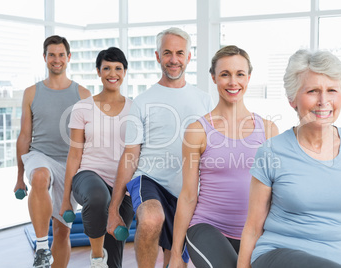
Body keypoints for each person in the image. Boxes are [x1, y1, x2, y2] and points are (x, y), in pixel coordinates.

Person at [237, 49, 341, 268]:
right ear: (292, 99)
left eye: (332, 90)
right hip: (281, 257)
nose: (324, 101)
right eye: (313, 91)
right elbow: (253, 227)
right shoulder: (271, 152)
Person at [106, 27, 213, 268]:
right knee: (152, 218)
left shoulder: (205, 100)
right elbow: (130, 154)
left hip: (186, 190)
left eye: (179, 53)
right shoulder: (143, 101)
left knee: (175, 262)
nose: (173, 59)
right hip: (149, 180)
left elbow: (211, 152)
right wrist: (113, 210)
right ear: (157, 56)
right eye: (167, 53)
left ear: (189, 56)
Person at [169, 45, 279, 268]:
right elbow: (189, 195)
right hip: (206, 227)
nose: (233, 82)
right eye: (225, 74)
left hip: (254, 233)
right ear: (213, 77)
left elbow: (275, 194)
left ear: (249, 77)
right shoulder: (197, 130)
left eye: (239, 74)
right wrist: (175, 255)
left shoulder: (268, 129)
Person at [13, 35, 91, 268]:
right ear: (44, 58)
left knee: (62, 231)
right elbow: (25, 136)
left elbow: (89, 140)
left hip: (69, 164)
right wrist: (19, 177)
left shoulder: (83, 94)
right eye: (51, 55)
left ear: (69, 58)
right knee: (38, 176)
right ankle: (41, 248)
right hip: (40, 155)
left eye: (61, 55)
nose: (56, 60)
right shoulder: (31, 92)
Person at [59, 47, 134, 268]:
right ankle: (96, 256)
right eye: (107, 68)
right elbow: (74, 154)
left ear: (125, 71)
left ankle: (107, 259)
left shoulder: (134, 109)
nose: (113, 73)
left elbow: (137, 153)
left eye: (118, 68)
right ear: (99, 72)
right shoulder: (82, 108)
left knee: (116, 258)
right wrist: (66, 200)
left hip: (122, 183)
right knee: (98, 196)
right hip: (88, 175)